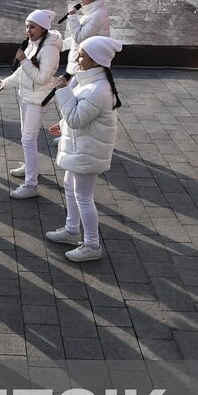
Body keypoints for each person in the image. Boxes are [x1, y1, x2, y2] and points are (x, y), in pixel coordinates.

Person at [46, 36, 124, 263]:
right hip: (81, 147)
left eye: (82, 55)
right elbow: (78, 115)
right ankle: (72, 230)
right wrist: (62, 125)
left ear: (97, 60)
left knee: (84, 197)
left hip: (88, 151)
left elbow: (76, 118)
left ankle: (92, 244)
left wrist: (62, 91)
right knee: (70, 186)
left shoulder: (97, 89)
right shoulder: (90, 83)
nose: (77, 58)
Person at [0, 9, 60, 199]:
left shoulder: (49, 50)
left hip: (38, 99)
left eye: (32, 27)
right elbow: (22, 73)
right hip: (26, 96)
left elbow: (41, 78)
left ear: (43, 28)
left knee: (28, 139)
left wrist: (24, 61)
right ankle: (28, 166)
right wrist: (7, 82)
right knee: (26, 137)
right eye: (27, 26)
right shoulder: (34, 44)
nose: (28, 30)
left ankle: (31, 184)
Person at [63, 0, 111, 76]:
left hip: (85, 67)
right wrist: (60, 44)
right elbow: (80, 35)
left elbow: (80, 38)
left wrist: (72, 18)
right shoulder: (92, 13)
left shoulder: (97, 16)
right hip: (80, 66)